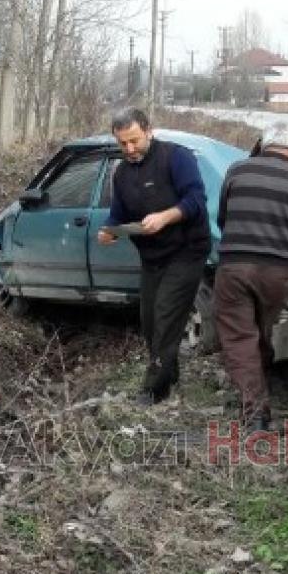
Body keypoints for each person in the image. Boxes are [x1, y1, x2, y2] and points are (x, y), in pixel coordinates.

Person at [214, 119, 288, 432]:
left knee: (241, 338)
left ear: (263, 145)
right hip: (279, 272)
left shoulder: (237, 171)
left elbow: (222, 218)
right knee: (261, 331)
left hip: (235, 267)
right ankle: (258, 393)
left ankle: (255, 413)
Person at [97, 107, 210, 404]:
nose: (129, 149)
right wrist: (109, 230)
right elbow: (117, 214)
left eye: (134, 140)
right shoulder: (121, 173)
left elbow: (196, 201)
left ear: (148, 130)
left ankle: (154, 389)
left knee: (165, 316)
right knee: (149, 322)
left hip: (187, 250)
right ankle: (169, 374)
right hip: (152, 256)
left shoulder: (176, 157)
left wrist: (166, 217)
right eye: (123, 143)